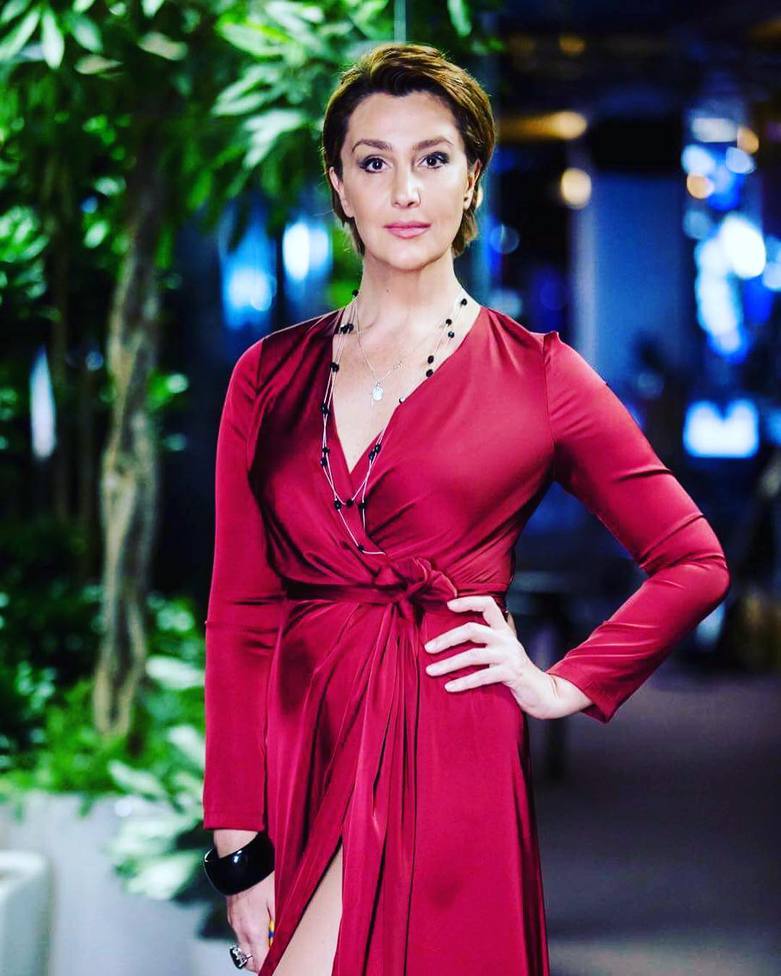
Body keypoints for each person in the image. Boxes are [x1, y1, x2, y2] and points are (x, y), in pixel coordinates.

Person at [200, 41, 731, 976]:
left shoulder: (538, 375)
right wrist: (236, 839)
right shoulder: (267, 376)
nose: (404, 190)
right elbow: (240, 612)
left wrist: (561, 682)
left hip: (449, 734)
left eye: (433, 158)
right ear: (339, 186)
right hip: (303, 738)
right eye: (374, 162)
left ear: (471, 178)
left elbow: (693, 561)